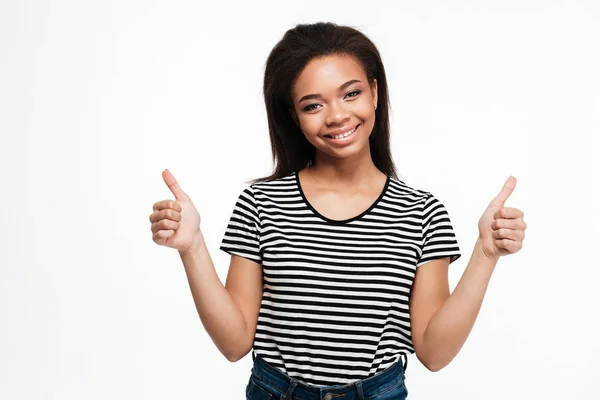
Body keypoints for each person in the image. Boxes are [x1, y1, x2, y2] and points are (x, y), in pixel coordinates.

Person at [149, 22, 527, 400]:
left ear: (374, 92)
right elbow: (234, 344)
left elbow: (434, 352)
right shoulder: (262, 203)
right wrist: (192, 247)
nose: (336, 116)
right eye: (313, 105)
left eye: (351, 94)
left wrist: (486, 254)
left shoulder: (421, 212)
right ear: (294, 116)